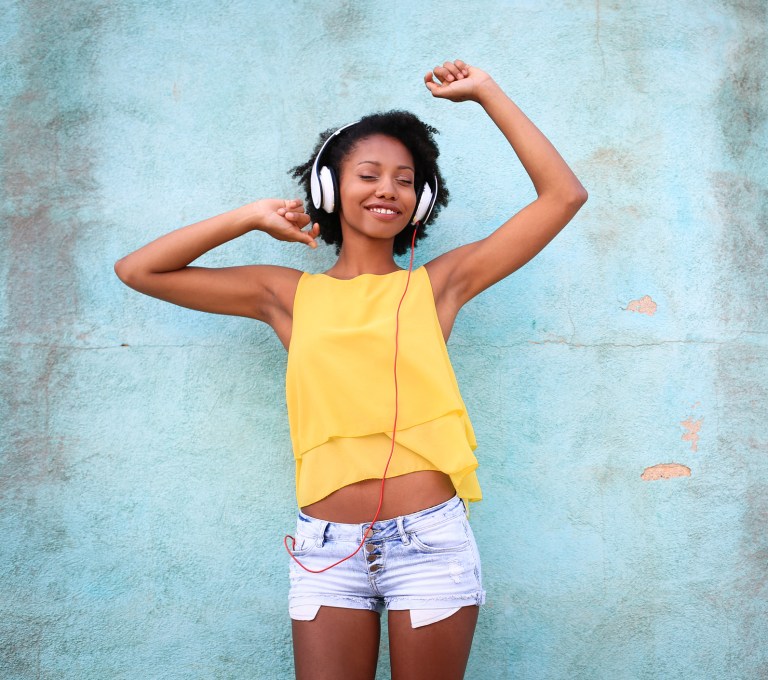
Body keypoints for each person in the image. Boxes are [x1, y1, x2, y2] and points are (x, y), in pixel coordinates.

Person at [114, 59, 587, 680]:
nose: (387, 189)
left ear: (422, 201)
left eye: (404, 179)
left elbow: (564, 196)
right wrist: (249, 216)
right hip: (325, 547)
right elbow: (138, 271)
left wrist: (487, 93)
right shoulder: (285, 294)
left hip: (429, 542)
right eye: (368, 175)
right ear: (328, 189)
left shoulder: (438, 285)